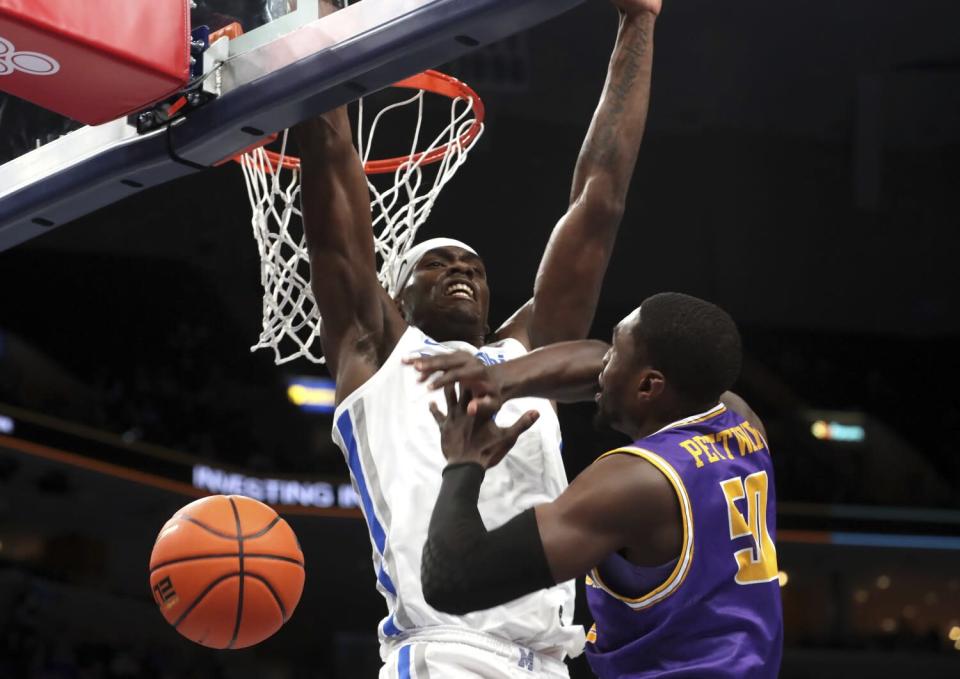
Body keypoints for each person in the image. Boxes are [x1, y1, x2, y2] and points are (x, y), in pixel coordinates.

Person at [293, 0, 664, 675]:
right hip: (448, 653)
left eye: (474, 266)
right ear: (393, 291)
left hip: (550, 658)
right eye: (437, 262)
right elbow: (331, 162)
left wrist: (639, 21)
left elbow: (600, 201)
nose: (461, 269)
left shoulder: (526, 359)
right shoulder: (377, 354)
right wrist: (322, 25)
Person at [418, 293, 784, 678]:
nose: (602, 362)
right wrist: (497, 378)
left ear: (648, 387)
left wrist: (464, 463)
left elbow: (452, 580)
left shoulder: (635, 482)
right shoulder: (742, 424)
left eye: (616, 353)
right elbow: (593, 358)